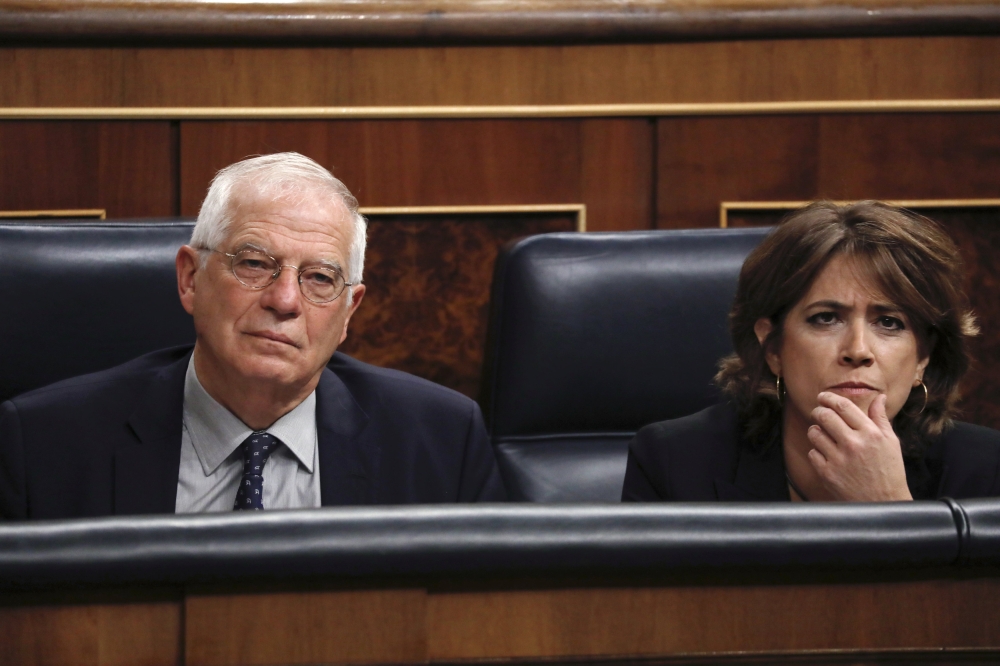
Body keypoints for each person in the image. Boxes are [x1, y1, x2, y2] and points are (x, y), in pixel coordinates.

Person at [0, 152, 505, 519]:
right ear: (190, 279)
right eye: (255, 264)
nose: (285, 301)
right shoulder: (44, 444)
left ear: (349, 311)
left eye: (320, 279)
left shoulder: (441, 442)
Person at [623, 201, 1000, 502]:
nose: (857, 350)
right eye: (825, 318)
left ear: (923, 358)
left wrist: (888, 508)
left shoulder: (985, 473)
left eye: (889, 323)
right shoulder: (675, 464)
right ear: (773, 347)